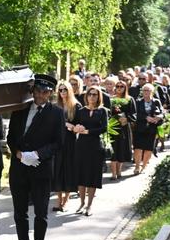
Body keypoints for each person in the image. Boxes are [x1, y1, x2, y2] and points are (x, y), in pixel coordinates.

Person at [7, 74, 64, 240]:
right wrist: (19, 154)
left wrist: (38, 155)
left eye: (45, 92)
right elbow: (10, 136)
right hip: (19, 167)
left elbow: (58, 143)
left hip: (41, 168)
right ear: (33, 91)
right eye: (38, 91)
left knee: (40, 213)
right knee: (20, 212)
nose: (41, 95)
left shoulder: (56, 113)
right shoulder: (20, 110)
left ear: (50, 93)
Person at [68, 85, 108, 216]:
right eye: (90, 94)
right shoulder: (81, 111)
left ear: (98, 97)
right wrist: (75, 127)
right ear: (86, 96)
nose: (92, 96)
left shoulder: (102, 111)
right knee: (81, 175)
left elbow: (103, 128)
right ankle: (81, 202)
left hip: (95, 146)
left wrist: (88, 131)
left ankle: (89, 205)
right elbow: (73, 123)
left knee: (92, 176)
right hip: (81, 146)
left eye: (95, 94)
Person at [52, 80, 81, 212]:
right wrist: (65, 124)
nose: (62, 92)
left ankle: (66, 199)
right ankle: (58, 200)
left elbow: (79, 126)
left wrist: (72, 126)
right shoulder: (54, 105)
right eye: (60, 90)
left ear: (69, 91)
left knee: (68, 168)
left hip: (70, 141)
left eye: (65, 90)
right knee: (57, 168)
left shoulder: (76, 106)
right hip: (57, 140)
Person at [132, 83, 163, 174]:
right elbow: (135, 114)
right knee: (138, 147)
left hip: (152, 128)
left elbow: (161, 112)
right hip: (140, 128)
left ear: (152, 92)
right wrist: (146, 117)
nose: (146, 92)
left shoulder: (156, 101)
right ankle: (137, 166)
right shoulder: (137, 102)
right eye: (144, 90)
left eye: (148, 90)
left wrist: (158, 117)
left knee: (149, 148)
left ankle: (144, 166)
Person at [109, 81, 135, 180]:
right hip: (112, 127)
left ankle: (119, 171)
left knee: (121, 149)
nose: (119, 88)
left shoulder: (129, 99)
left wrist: (127, 119)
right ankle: (113, 173)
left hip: (124, 127)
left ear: (125, 88)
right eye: (117, 86)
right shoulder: (112, 99)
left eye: (122, 86)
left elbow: (134, 114)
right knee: (113, 149)